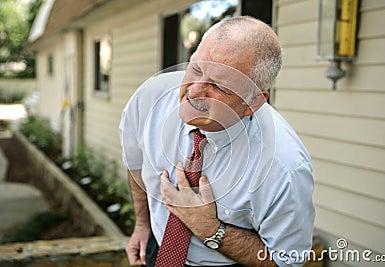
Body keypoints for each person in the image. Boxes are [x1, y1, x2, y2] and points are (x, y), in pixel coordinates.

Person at [120, 16, 315, 267]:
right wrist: (142, 224)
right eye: (196, 69)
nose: (194, 91)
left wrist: (211, 229)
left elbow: (286, 261)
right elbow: (135, 159)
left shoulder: (285, 167)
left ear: (252, 102)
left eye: (219, 86)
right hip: (157, 249)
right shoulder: (148, 102)